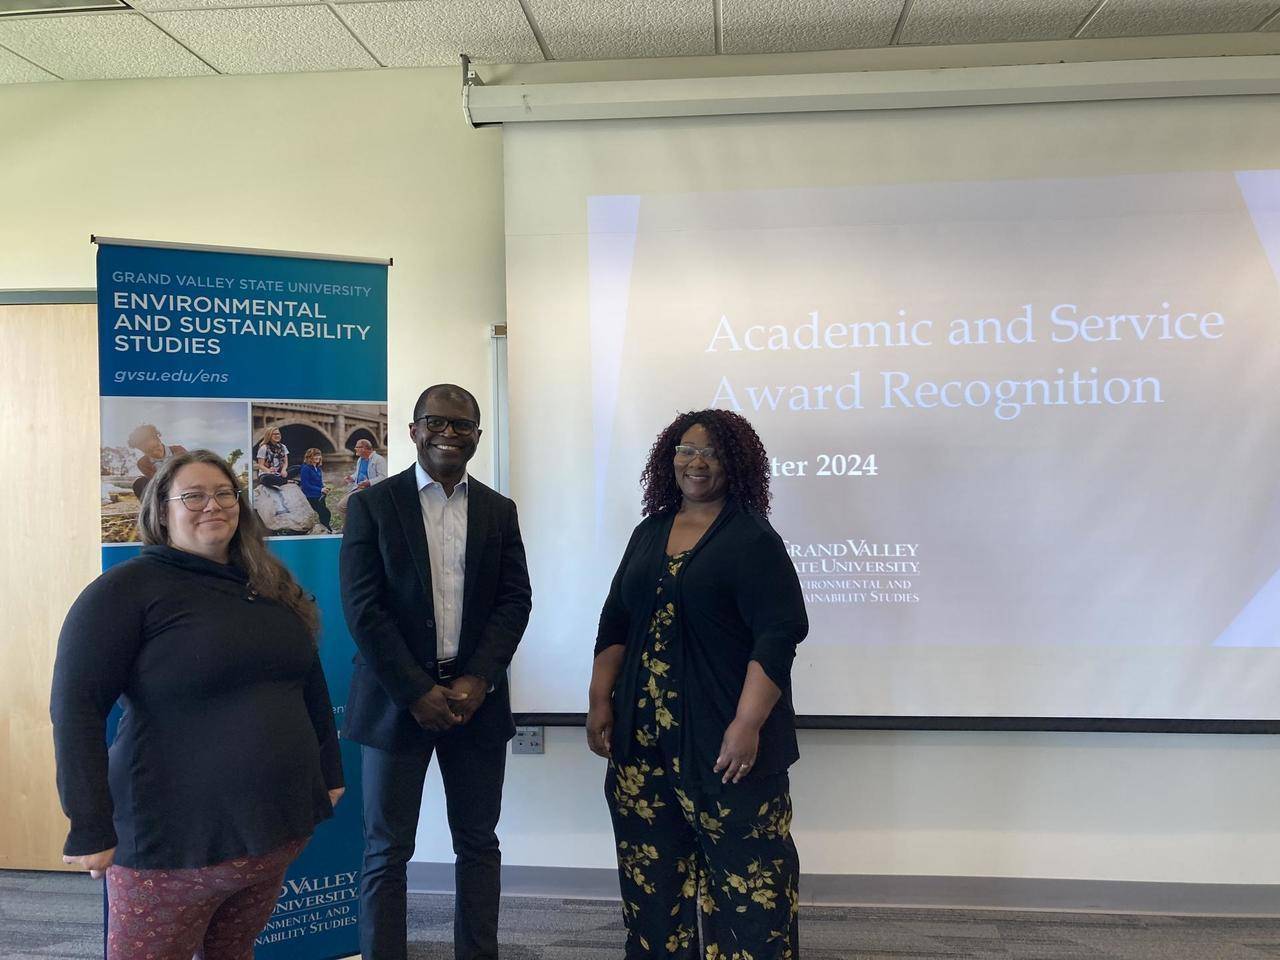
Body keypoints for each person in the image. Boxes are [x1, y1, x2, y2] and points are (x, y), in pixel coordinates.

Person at [51, 450, 345, 960]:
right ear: (161, 509)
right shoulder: (123, 592)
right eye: (193, 495)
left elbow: (309, 682)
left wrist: (330, 771)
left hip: (271, 835)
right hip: (170, 848)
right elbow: (75, 708)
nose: (213, 505)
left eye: (224, 493)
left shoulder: (269, 585)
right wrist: (89, 823)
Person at [587, 409, 807, 960]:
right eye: (686, 449)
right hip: (643, 744)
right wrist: (598, 702)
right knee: (651, 884)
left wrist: (747, 724)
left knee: (749, 889)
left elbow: (777, 636)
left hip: (725, 743)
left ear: (735, 463)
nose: (696, 462)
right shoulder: (648, 532)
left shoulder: (753, 538)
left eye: (711, 452)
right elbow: (616, 621)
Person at [339, 384, 532, 960]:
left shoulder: (499, 510)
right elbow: (363, 609)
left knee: (478, 844)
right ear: (414, 431)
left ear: (478, 434)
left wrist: (477, 678)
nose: (449, 435)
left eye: (462, 425)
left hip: (476, 701)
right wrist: (416, 690)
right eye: (436, 423)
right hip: (395, 702)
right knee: (386, 850)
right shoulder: (373, 505)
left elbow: (514, 601)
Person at [127, 423, 187, 499]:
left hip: (184, 488)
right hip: (163, 492)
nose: (155, 453)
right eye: (149, 451)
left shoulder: (179, 451)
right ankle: (154, 509)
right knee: (139, 482)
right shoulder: (142, 463)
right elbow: (157, 482)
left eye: (156, 447)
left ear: (159, 440)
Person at [300, 447, 334, 533]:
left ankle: (325, 529)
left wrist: (324, 487)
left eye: (318, 455)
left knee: (323, 513)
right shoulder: (305, 468)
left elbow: (319, 482)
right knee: (325, 512)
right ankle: (326, 529)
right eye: (315, 455)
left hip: (320, 494)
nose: (317, 457)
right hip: (310, 496)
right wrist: (320, 489)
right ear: (309, 457)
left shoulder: (318, 468)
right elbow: (305, 485)